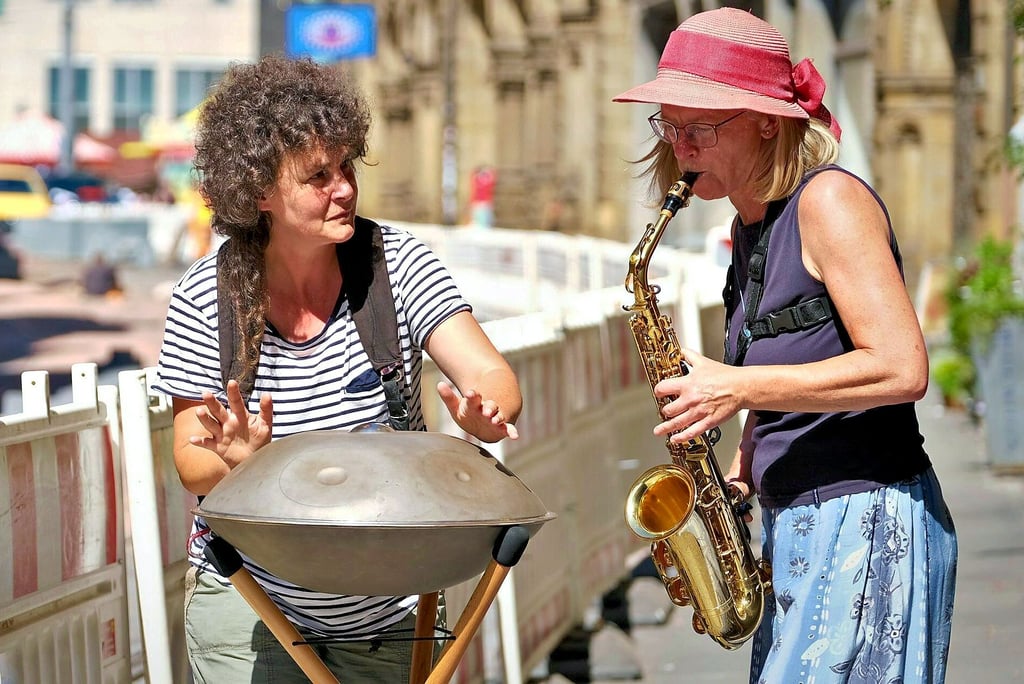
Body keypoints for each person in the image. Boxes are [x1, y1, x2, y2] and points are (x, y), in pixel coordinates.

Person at [152, 54, 521, 683]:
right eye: (318, 175)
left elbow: (492, 376)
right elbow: (192, 461)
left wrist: (486, 411)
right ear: (258, 189)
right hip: (250, 602)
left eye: (347, 165)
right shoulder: (202, 296)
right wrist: (241, 460)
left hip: (384, 607)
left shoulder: (395, 263)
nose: (345, 187)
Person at [613, 9, 957, 683]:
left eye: (702, 127)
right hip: (797, 521)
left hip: (865, 521)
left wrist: (736, 388)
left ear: (769, 120)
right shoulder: (751, 230)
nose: (681, 147)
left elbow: (902, 366)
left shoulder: (828, 202)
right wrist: (735, 480)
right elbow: (791, 368)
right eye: (671, 126)